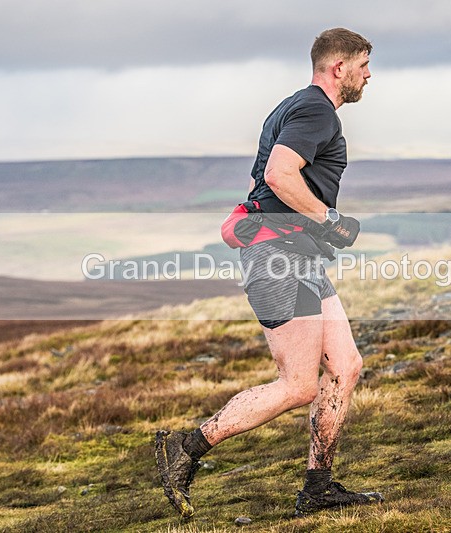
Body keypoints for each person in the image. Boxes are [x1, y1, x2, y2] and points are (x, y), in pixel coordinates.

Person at [155, 27, 382, 519]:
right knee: (298, 383)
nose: (369, 75)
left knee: (345, 365)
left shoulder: (294, 106)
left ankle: (318, 487)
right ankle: (187, 449)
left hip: (296, 254)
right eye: (363, 65)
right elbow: (280, 174)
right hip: (278, 257)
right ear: (338, 67)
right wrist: (331, 220)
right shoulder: (316, 109)